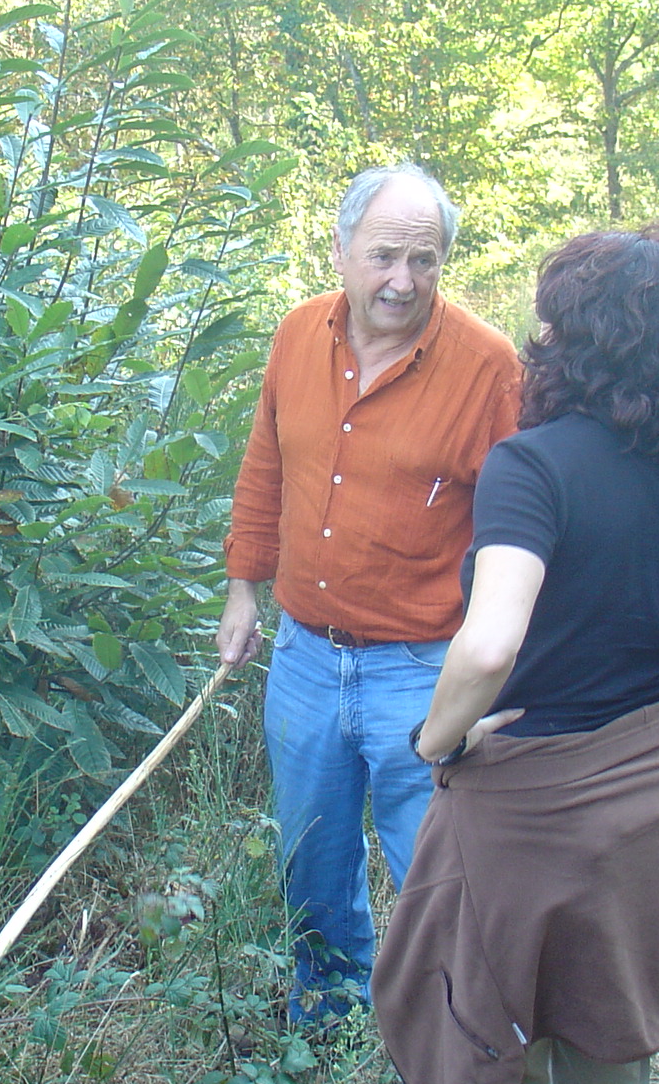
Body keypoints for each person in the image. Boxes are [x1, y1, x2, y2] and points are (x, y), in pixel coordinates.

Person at [374, 222, 659, 1084]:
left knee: (499, 1082)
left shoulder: (529, 470)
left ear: (571, 343)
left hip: (527, 826)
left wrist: (432, 738)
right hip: (650, 822)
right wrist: (634, 697)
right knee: (610, 1064)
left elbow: (489, 641)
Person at [216, 163, 523, 1021]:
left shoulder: (487, 369)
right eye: (384, 255)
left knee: (439, 869)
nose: (402, 281)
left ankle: (457, 1039)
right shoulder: (297, 336)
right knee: (311, 855)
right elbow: (265, 464)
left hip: (424, 669)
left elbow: (524, 530)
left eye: (424, 261)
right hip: (305, 655)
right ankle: (327, 1009)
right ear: (341, 249)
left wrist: (507, 674)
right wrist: (245, 590)